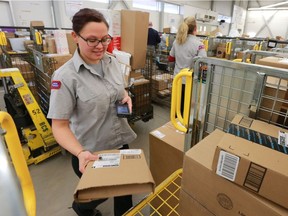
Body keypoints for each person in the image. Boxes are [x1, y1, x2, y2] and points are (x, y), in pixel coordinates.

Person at [47, 8, 137, 216]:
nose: (100, 46)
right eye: (92, 40)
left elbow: (119, 89)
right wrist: (80, 153)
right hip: (91, 151)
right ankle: (81, 208)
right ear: (75, 37)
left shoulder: (112, 61)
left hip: (119, 141)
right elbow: (59, 126)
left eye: (105, 39)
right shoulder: (65, 77)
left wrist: (125, 96)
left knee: (126, 190)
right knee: (100, 194)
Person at [168, 16, 207, 115]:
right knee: (188, 108)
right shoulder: (199, 44)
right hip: (190, 82)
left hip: (177, 79)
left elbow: (171, 60)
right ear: (195, 28)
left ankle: (175, 127)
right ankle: (185, 128)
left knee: (177, 106)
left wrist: (176, 70)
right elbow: (203, 65)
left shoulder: (177, 42)